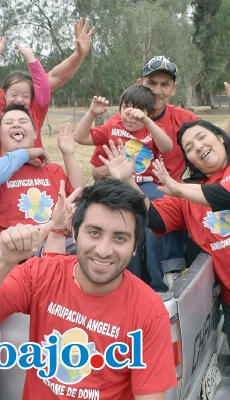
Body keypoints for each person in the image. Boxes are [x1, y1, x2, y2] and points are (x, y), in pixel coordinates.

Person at [0, 179, 177, 399]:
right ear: (75, 233)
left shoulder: (148, 310)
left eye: (120, 238)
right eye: (94, 232)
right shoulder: (43, 273)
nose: (103, 250)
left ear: (135, 247)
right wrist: (5, 259)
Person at [100, 121, 230, 400]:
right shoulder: (188, 194)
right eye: (189, 147)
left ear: (220, 137)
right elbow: (154, 217)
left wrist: (177, 188)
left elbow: (229, 196)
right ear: (188, 159)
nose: (198, 147)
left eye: (202, 137)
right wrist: (128, 182)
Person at [91, 56, 230, 289]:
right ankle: (123, 283)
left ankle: (165, 282)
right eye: (152, 83)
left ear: (173, 89)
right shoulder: (122, 119)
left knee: (157, 210)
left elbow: (221, 143)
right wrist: (102, 172)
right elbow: (97, 168)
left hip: (169, 193)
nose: (158, 91)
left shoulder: (183, 119)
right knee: (116, 218)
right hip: (129, 188)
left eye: (165, 84)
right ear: (140, 82)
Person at [74, 83, 176, 288]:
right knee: (121, 226)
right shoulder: (113, 127)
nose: (129, 116)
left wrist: (147, 121)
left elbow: (167, 146)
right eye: (125, 109)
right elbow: (80, 137)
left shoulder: (151, 130)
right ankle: (129, 280)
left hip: (144, 184)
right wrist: (92, 112)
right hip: (115, 185)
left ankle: (160, 281)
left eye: (136, 113)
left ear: (148, 114)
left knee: (156, 219)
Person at [0, 104, 84, 250]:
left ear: (36, 133)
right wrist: (5, 258)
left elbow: (79, 194)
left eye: (23, 121)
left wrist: (68, 154)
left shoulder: (52, 169)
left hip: (56, 243)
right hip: (12, 248)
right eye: (9, 122)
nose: (16, 124)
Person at [0, 37, 50, 148]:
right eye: (14, 94)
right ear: (4, 95)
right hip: (4, 164)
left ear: (32, 98)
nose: (19, 99)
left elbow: (43, 86)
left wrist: (30, 58)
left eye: (25, 96)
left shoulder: (36, 111)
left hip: (33, 163)